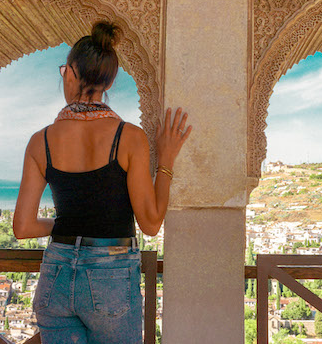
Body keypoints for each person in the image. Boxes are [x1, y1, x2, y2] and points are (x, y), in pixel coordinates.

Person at [13, 21, 191, 343]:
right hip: (110, 277)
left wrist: (63, 224)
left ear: (70, 73)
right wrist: (165, 161)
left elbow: (23, 227)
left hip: (57, 271)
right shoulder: (129, 138)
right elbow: (150, 223)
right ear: (108, 82)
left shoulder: (40, 142)